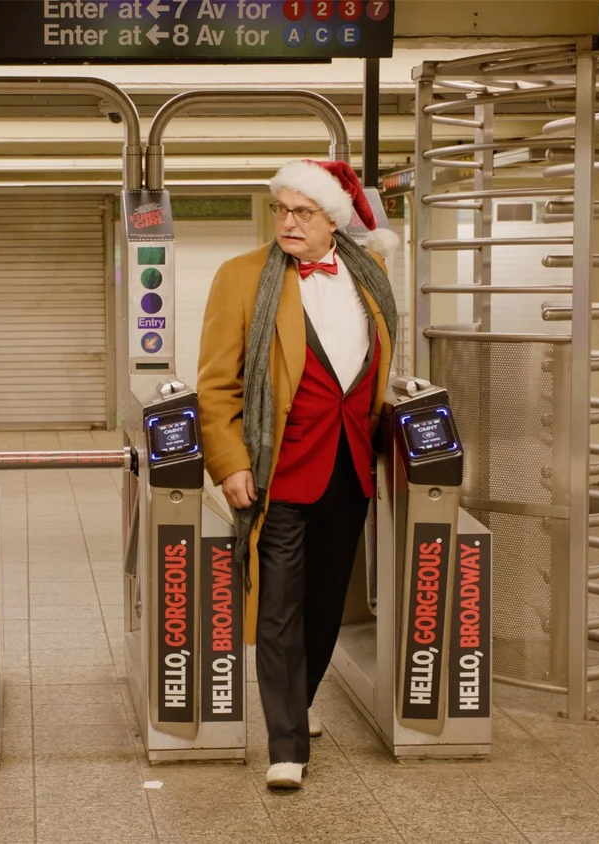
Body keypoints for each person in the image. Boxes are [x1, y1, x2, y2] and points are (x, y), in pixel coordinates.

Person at [197, 160, 398, 790]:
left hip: (348, 465)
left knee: (327, 601)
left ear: (333, 220)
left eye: (301, 212)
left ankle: (300, 700)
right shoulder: (240, 277)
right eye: (281, 210)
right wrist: (229, 462)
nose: (287, 221)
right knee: (278, 605)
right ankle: (286, 745)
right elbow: (216, 382)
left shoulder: (371, 272)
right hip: (276, 464)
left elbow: (377, 361)